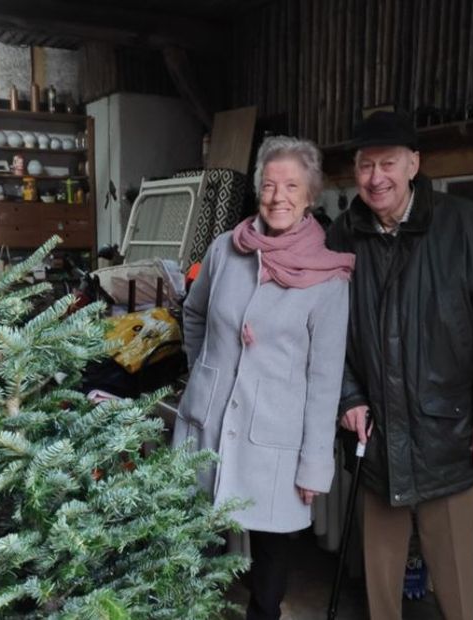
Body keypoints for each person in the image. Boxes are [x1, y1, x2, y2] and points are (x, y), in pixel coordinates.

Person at [327, 111, 473, 620]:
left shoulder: (465, 227)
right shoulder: (341, 237)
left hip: (453, 436)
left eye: (389, 163)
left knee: (456, 584)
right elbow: (323, 335)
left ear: (414, 164)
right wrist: (348, 395)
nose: (377, 177)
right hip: (377, 442)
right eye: (366, 165)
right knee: (380, 585)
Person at [173, 136, 354, 620]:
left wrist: (316, 464)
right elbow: (194, 314)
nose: (278, 196)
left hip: (274, 431)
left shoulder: (329, 279)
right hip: (209, 423)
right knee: (196, 536)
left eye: (292, 185)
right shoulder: (224, 250)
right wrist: (206, 370)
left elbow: (324, 380)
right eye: (270, 185)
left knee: (271, 550)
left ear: (311, 195)